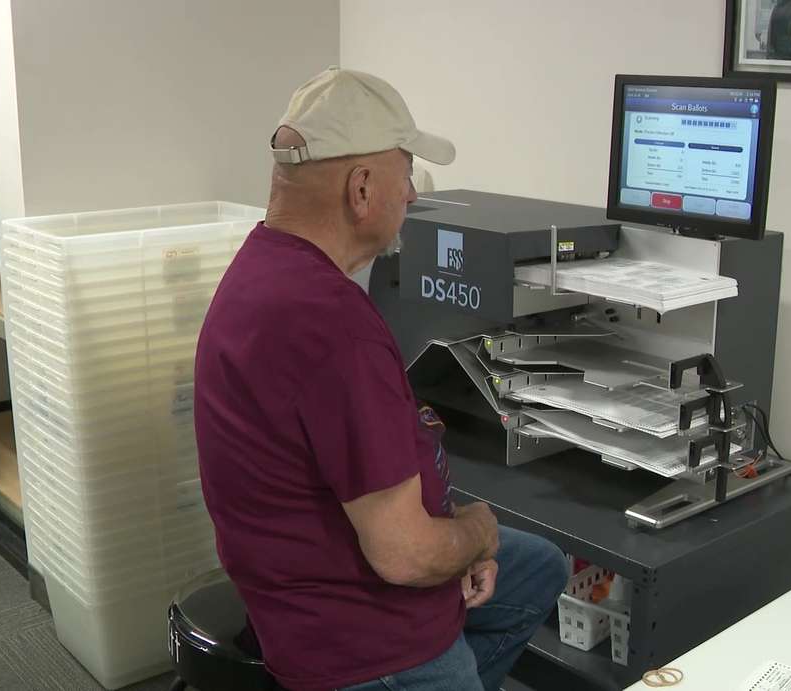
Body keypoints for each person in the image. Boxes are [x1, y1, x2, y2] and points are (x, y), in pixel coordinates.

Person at [193, 67, 570, 691]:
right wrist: (476, 535)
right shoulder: (332, 324)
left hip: (295, 587)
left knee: (542, 566)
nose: (413, 196)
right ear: (361, 189)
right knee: (498, 542)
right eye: (406, 175)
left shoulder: (262, 266)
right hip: (364, 643)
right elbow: (408, 557)